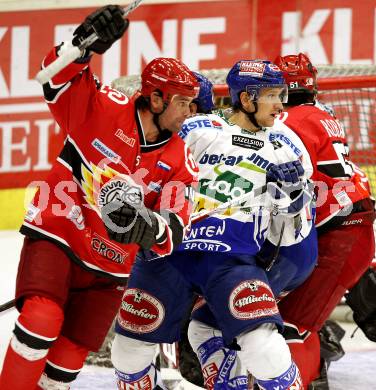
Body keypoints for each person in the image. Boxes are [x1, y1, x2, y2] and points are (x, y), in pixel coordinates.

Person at [0, 5, 199, 390]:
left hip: (109, 266)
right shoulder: (104, 106)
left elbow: (175, 227)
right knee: (41, 320)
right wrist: (84, 42)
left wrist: (150, 228)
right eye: (181, 102)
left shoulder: (180, 157)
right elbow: (54, 78)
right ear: (156, 98)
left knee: (69, 359)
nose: (189, 112)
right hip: (59, 233)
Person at [109, 60, 317, 390]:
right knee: (127, 352)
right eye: (273, 95)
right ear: (246, 100)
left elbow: (292, 233)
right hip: (168, 254)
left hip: (231, 262)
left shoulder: (286, 148)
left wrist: (291, 202)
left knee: (265, 348)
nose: (281, 104)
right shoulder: (196, 131)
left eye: (282, 94)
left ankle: (229, 374)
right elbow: (147, 168)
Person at [273, 53, 376, 389]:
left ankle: (313, 373)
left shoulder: (283, 122)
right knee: (288, 316)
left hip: (339, 230)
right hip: (343, 223)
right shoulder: (323, 114)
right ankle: (321, 356)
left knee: (294, 324)